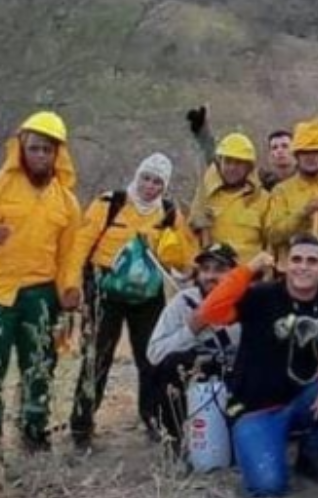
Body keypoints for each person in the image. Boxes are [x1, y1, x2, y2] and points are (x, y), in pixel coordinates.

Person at [190, 237, 318, 495]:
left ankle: (311, 454)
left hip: (300, 401)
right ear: (284, 264)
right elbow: (208, 313)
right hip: (255, 410)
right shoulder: (260, 296)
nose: (303, 267)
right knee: (268, 486)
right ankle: (260, 444)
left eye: (312, 261)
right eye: (296, 259)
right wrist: (247, 271)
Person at [0, 112, 82, 453]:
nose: (41, 155)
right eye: (34, 148)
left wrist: (70, 289)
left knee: (40, 367)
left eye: (47, 150)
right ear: (20, 149)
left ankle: (34, 433)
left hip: (40, 296)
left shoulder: (67, 203)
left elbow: (69, 256)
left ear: (59, 154)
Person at [68, 152, 196, 449]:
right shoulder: (109, 203)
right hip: (105, 293)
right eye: (146, 178)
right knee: (96, 359)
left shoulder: (169, 213)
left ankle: (152, 418)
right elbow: (81, 244)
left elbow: (186, 253)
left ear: (164, 187)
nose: (150, 186)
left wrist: (188, 270)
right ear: (137, 176)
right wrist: (72, 284)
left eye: (157, 183)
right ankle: (81, 428)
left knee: (151, 358)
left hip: (148, 298)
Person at [146, 242, 242, 450]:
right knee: (170, 365)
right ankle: (172, 441)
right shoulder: (183, 302)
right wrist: (191, 328)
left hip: (239, 376)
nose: (210, 276)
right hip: (199, 374)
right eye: (205, 269)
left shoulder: (250, 301)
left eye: (219, 270)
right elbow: (154, 354)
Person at [266, 118, 318, 270]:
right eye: (305, 152)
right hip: (291, 275)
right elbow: (272, 235)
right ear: (296, 155)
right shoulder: (281, 191)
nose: (311, 157)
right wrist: (302, 213)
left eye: (316, 152)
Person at [189, 132, 270, 262]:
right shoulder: (205, 196)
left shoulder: (263, 199)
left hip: (252, 275)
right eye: (228, 161)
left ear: (249, 167)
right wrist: (197, 222)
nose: (232, 168)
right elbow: (191, 237)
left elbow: (270, 243)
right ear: (220, 163)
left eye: (238, 163)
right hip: (215, 274)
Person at [185, 106, 295, 191]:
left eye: (285, 146)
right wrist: (203, 135)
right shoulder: (263, 181)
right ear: (270, 155)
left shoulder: (307, 178)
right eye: (274, 148)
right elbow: (224, 168)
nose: (280, 151)